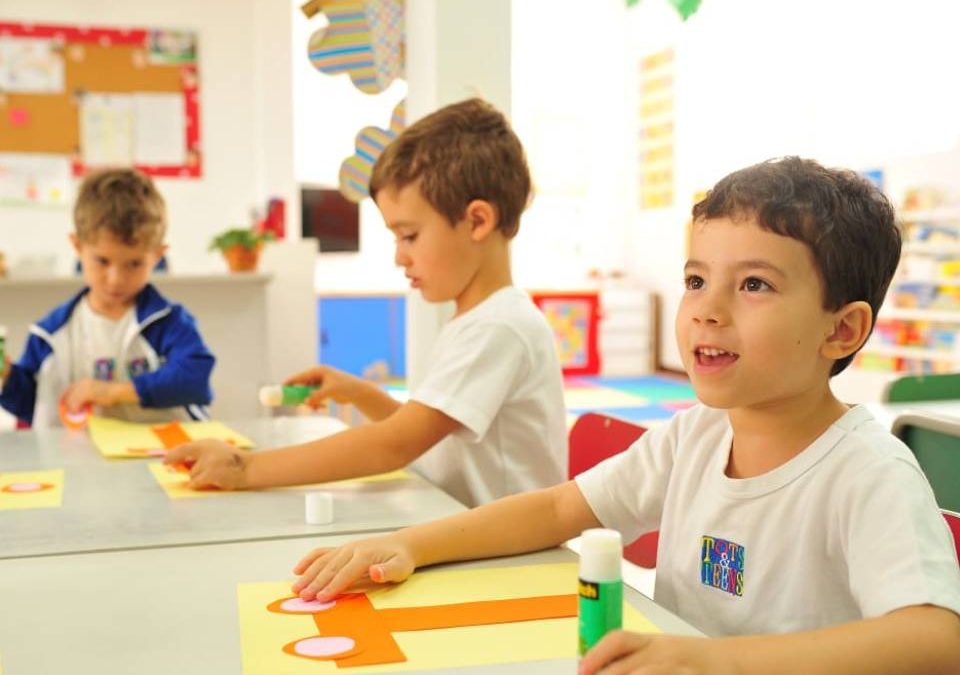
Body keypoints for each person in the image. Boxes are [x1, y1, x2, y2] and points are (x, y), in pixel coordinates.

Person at [288, 157, 960, 674]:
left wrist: (708, 660)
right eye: (697, 279)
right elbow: (557, 511)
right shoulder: (695, 435)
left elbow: (938, 638)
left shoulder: (865, 472)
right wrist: (413, 543)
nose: (706, 308)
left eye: (754, 284)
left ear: (842, 331)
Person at [164, 98, 567, 508]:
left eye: (409, 236)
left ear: (478, 221)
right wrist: (358, 392)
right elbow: (426, 431)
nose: (399, 256)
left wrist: (244, 468)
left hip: (510, 559)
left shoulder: (498, 328)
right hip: (470, 532)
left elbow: (395, 446)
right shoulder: (481, 320)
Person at [0, 168, 215, 428]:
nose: (116, 279)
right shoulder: (51, 334)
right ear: (78, 246)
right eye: (102, 261)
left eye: (134, 264)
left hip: (161, 459)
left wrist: (110, 392)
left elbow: (194, 379)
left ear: (157, 256)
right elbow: (34, 406)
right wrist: (7, 377)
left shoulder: (170, 324)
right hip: (83, 462)